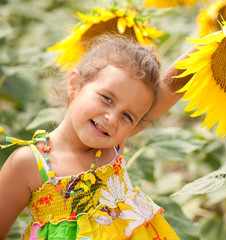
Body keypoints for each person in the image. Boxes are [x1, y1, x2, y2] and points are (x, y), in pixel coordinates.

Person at [0, 34, 194, 240]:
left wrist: (217, 43)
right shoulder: (28, 163)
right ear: (74, 84)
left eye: (127, 116)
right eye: (107, 99)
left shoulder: (113, 143)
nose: (112, 119)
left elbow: (171, 86)